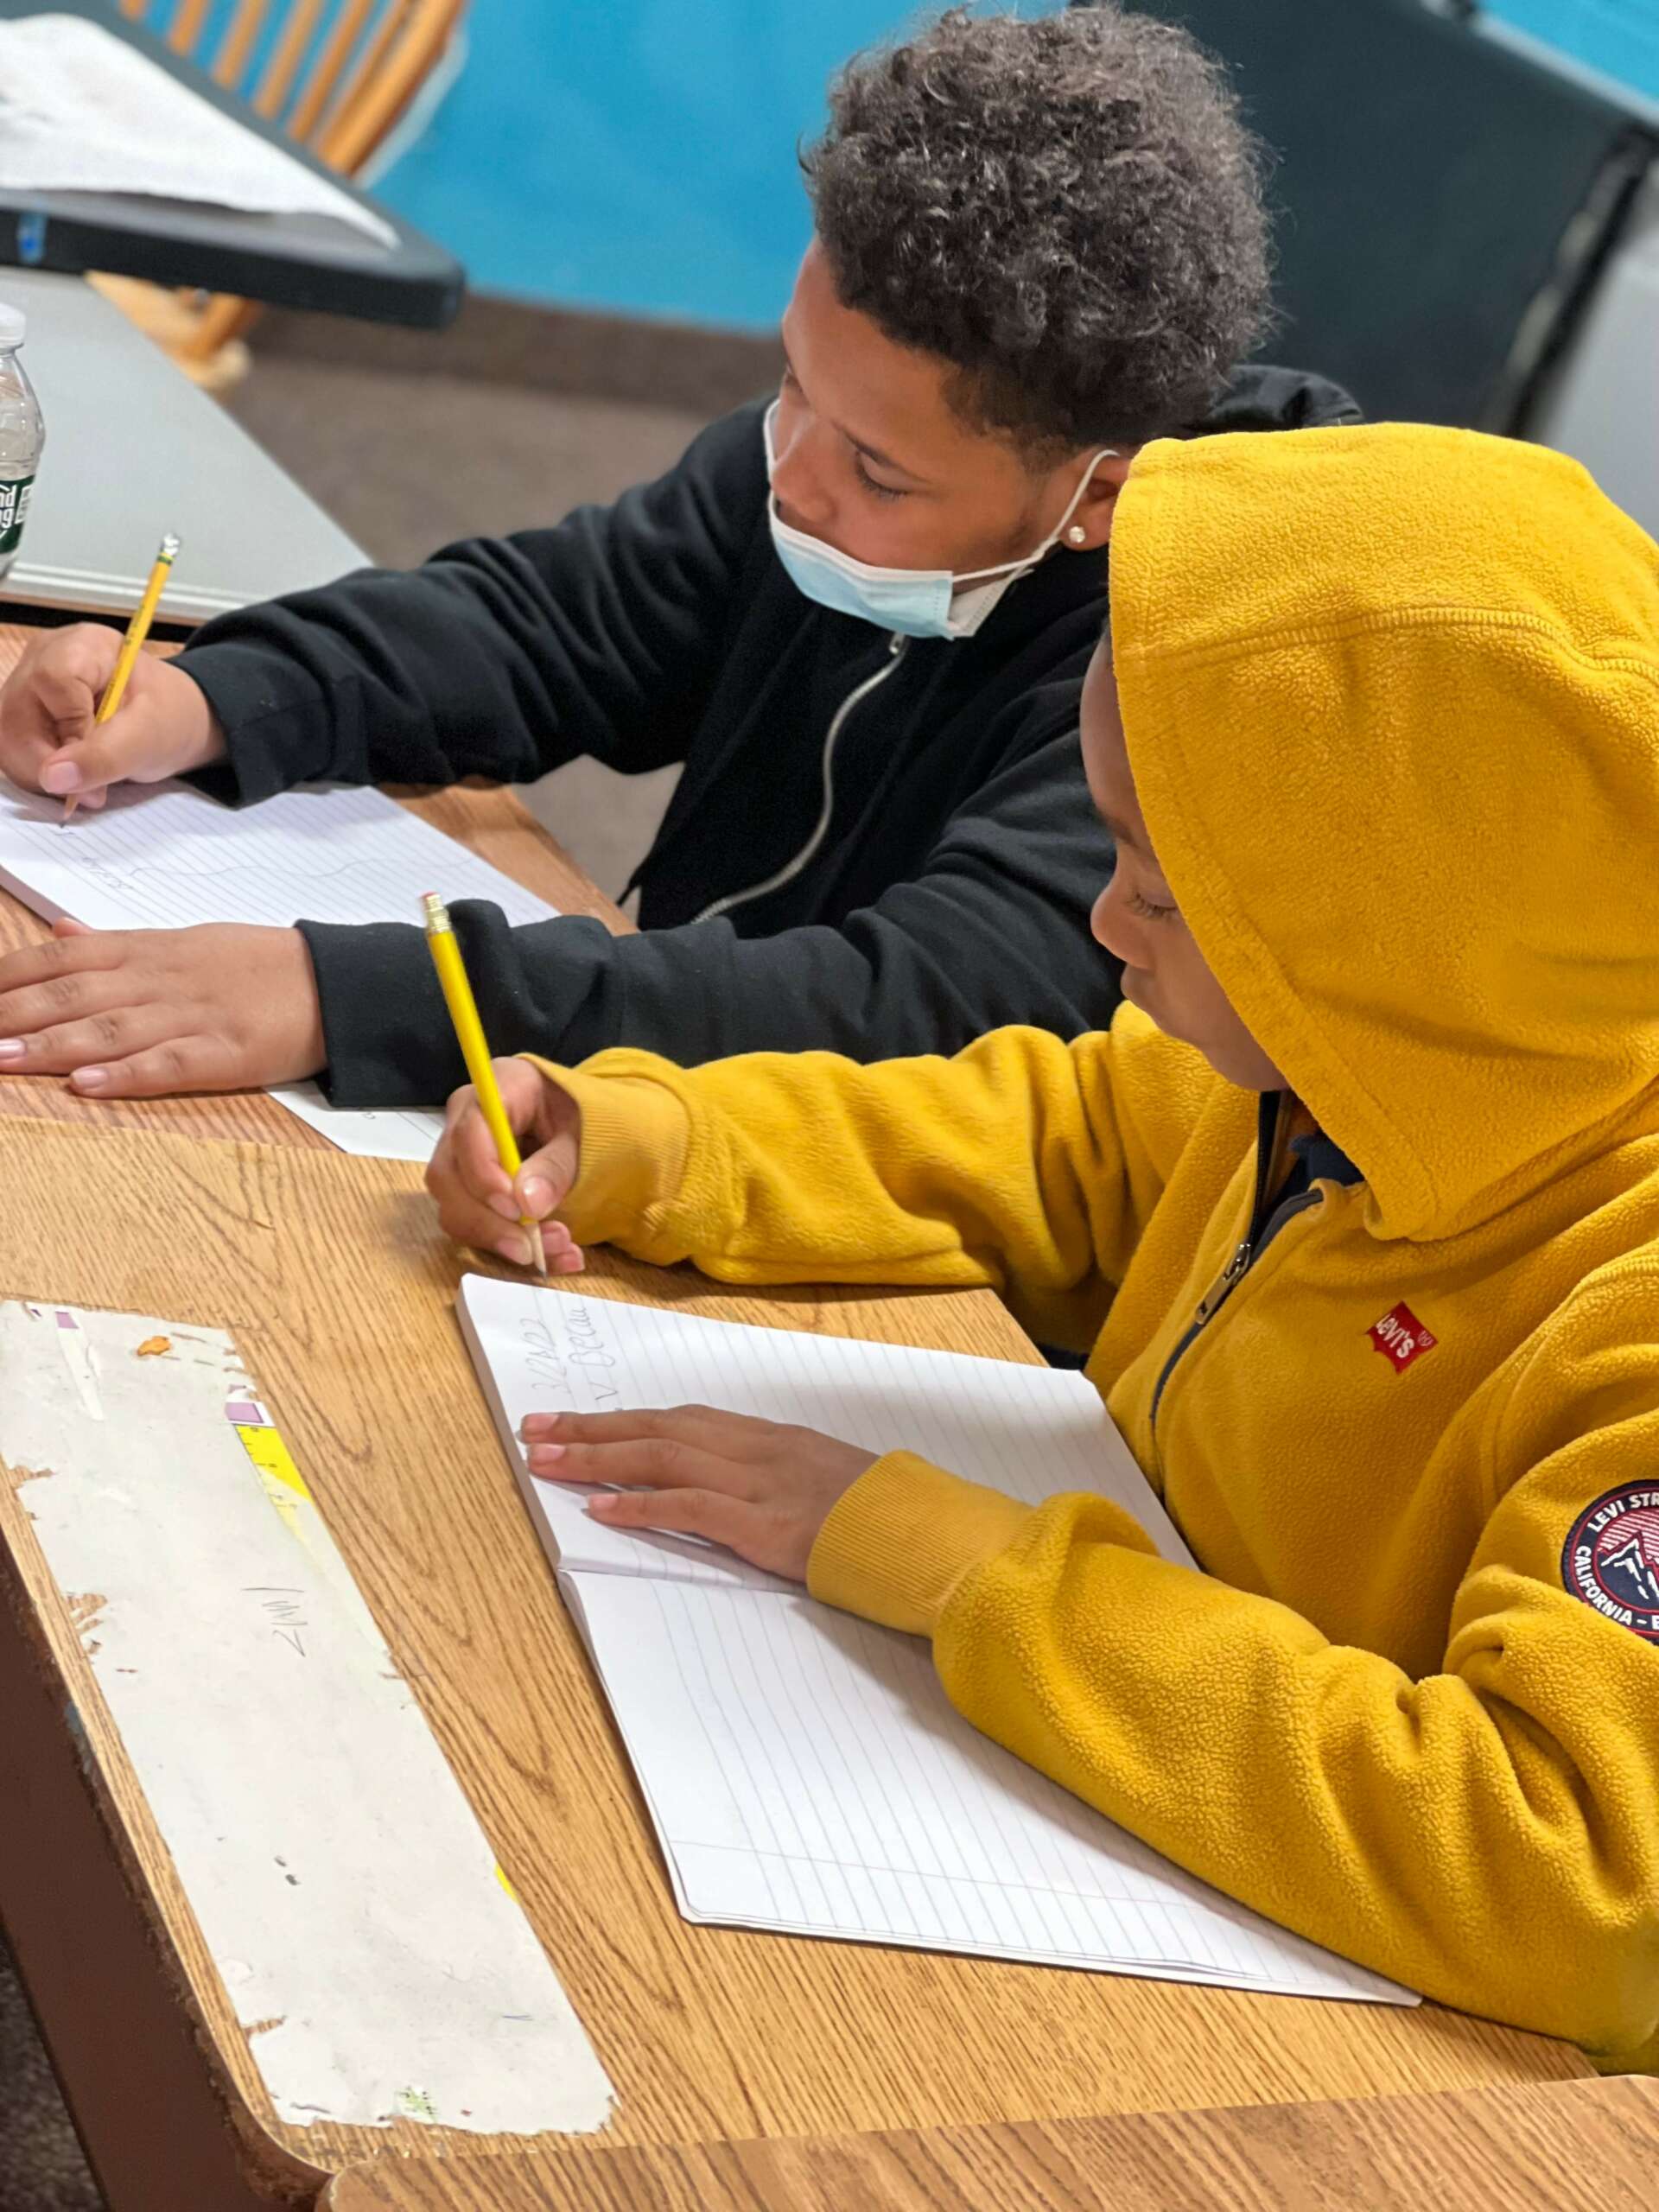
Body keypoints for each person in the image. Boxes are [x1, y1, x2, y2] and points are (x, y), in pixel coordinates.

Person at [424, 423, 1659, 2063]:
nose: (1102, 920)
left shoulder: (1621, 1306)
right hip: (1137, 1831)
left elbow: (1577, 1886)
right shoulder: (1337, 1072)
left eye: (1162, 887)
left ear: (1394, 948)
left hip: (1376, 2069)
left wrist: (964, 1566)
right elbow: (1057, 1136)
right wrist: (657, 1142)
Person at [0, 6, 1354, 1107]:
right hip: (655, 1144)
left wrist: (360, 997)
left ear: (1099, 494)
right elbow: (552, 623)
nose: (794, 477)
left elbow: (918, 1006)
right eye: (792, 382)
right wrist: (213, 697)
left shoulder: (1217, 660)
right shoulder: (838, 438)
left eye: (879, 473)